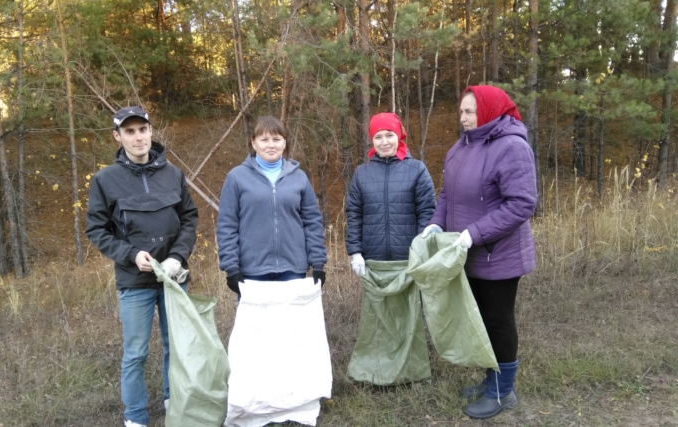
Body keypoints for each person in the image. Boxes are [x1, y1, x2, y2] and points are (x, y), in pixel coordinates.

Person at [422, 85, 537, 419]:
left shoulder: (512, 147)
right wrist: (436, 224)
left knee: (498, 321)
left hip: (498, 253)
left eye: (470, 111)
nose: (463, 118)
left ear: (489, 111)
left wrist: (474, 233)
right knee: (482, 321)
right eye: (461, 111)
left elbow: (522, 204)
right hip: (466, 253)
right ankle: (491, 380)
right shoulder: (461, 147)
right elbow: (447, 195)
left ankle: (504, 392)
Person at [85, 106, 198, 427]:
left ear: (151, 131)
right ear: (117, 137)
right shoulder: (105, 180)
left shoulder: (173, 174)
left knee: (176, 348)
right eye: (130, 132)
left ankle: (172, 401)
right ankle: (135, 417)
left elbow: (189, 218)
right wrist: (131, 254)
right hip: (134, 281)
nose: (138, 138)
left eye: (143, 130)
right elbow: (96, 230)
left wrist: (178, 256)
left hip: (175, 277)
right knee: (135, 353)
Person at [216, 115, 327, 295]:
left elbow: (312, 223)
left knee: (291, 324)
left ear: (284, 143)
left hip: (293, 269)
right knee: (257, 324)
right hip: (252, 271)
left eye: (276, 139)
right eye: (264, 139)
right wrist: (231, 267)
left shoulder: (299, 178)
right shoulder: (236, 178)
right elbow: (227, 226)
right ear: (254, 143)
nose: (271, 145)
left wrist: (318, 263)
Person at [345, 112, 436, 272]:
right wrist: (355, 252)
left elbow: (427, 212)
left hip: (410, 260)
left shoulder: (417, 169)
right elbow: (354, 215)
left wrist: (421, 248)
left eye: (389, 135)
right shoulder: (362, 173)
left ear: (398, 136)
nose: (384, 142)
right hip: (373, 261)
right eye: (378, 137)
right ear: (372, 140)